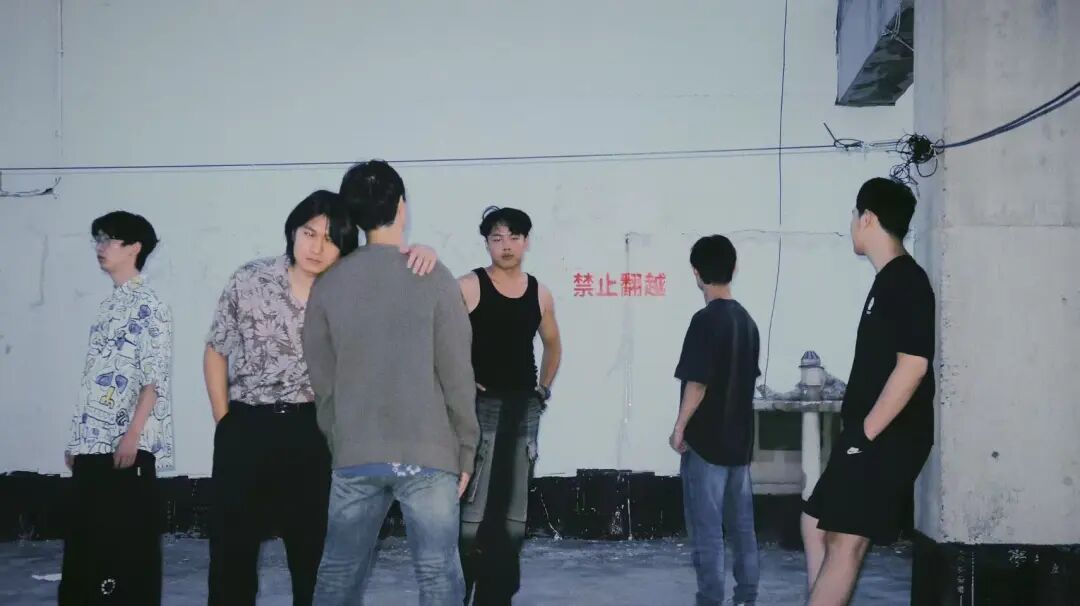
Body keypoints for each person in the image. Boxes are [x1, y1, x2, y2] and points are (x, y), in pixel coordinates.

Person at [204, 189, 438, 606]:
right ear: (292, 232)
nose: (316, 247)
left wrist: (421, 254)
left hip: (314, 431)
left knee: (314, 554)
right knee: (230, 554)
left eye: (330, 239)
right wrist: (226, 421)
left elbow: (398, 283)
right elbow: (216, 350)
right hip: (247, 426)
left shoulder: (352, 290)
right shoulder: (250, 280)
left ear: (344, 247)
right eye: (309, 233)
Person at [304, 160, 479, 606]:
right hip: (428, 453)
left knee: (338, 575)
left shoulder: (328, 284)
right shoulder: (433, 276)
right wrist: (466, 448)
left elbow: (322, 380)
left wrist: (339, 437)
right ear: (402, 206)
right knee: (438, 576)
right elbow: (458, 374)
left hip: (356, 452)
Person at [802, 177, 935, 605]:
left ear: (868, 218)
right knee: (814, 523)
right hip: (867, 433)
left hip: (886, 435)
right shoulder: (888, 281)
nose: (851, 225)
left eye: (854, 216)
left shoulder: (907, 281)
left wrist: (866, 433)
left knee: (846, 542)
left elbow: (913, 366)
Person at [60, 211, 173, 605]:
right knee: (85, 545)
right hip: (93, 445)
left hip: (126, 447)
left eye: (109, 239)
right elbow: (95, 379)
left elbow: (153, 380)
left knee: (127, 548)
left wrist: (133, 435)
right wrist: (78, 439)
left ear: (134, 248)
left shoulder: (149, 305)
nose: (100, 247)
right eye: (98, 239)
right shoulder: (109, 306)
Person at [457, 206, 562, 605]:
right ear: (486, 243)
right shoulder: (469, 286)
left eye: (514, 237)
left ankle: (497, 595)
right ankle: (461, 590)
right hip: (478, 410)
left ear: (526, 242)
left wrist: (543, 389)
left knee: (513, 514)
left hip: (523, 411)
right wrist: (462, 380)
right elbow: (437, 338)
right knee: (472, 512)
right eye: (497, 238)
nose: (506, 245)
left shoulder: (540, 293)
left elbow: (553, 344)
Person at [669, 234, 761, 606]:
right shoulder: (748, 322)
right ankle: (747, 597)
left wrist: (679, 428)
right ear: (733, 268)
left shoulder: (705, 321)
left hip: (706, 445)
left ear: (696, 273)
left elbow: (698, 383)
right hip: (739, 445)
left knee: (707, 533)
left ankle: (710, 599)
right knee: (743, 531)